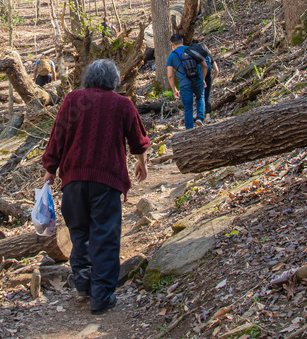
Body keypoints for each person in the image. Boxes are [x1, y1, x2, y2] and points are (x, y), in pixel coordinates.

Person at [41, 58, 150, 315]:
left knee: (79, 233)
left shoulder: (72, 99)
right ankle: (100, 296)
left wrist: (50, 170)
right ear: (114, 80)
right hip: (107, 180)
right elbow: (138, 139)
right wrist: (142, 162)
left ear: (88, 77)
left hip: (73, 179)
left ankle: (83, 284)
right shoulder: (122, 104)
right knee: (105, 235)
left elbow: (58, 136)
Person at [166, 32, 208, 130]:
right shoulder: (192, 49)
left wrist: (174, 90)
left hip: (184, 85)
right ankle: (200, 118)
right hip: (197, 80)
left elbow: (170, 76)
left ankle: (189, 130)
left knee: (188, 108)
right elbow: (205, 66)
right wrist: (203, 79)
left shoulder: (172, 56)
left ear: (172, 44)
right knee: (200, 97)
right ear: (182, 40)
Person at [187, 40, 219, 120]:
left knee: (199, 97)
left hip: (200, 77)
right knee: (207, 97)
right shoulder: (210, 57)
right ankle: (208, 116)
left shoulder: (198, 57)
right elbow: (216, 70)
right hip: (208, 77)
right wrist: (212, 78)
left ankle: (200, 115)